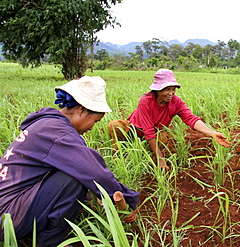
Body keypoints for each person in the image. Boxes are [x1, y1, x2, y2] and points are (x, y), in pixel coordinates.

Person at [0, 76, 140, 246]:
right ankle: (50, 243)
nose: (92, 128)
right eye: (95, 121)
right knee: (74, 180)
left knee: (72, 173)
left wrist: (94, 200)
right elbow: (93, 171)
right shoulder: (59, 133)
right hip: (7, 217)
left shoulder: (46, 124)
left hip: (9, 207)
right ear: (81, 109)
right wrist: (129, 199)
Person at [108, 69, 231, 169]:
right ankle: (120, 154)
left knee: (163, 137)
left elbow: (191, 119)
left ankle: (149, 154)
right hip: (135, 129)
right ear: (157, 90)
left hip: (155, 131)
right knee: (115, 125)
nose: (171, 93)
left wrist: (212, 133)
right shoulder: (146, 101)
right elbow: (148, 131)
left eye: (173, 89)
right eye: (167, 89)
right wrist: (161, 159)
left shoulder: (176, 102)